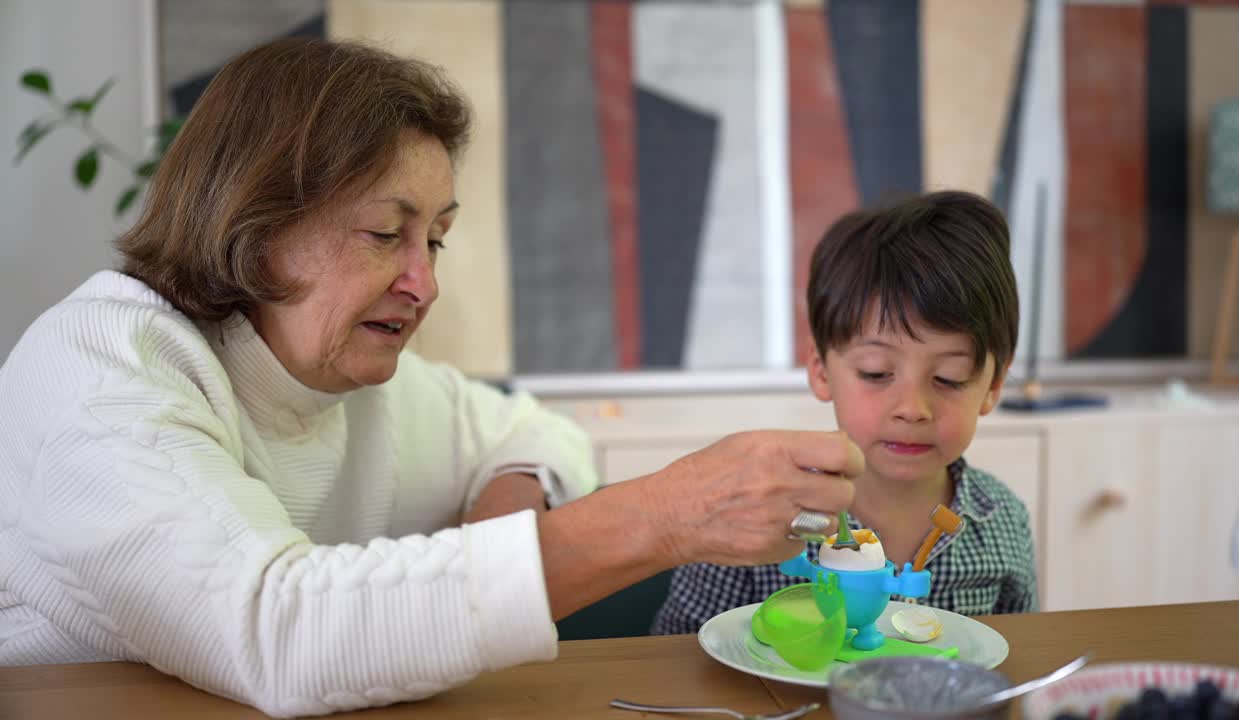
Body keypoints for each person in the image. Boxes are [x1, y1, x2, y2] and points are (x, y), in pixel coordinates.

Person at [0, 39, 864, 718]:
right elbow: (275, 629)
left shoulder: (354, 379)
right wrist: (667, 514)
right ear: (258, 224)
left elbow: (532, 430)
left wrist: (507, 507)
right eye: (387, 233)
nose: (425, 283)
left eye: (436, 239)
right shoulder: (103, 369)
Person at [652, 191, 1038, 635]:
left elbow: (1015, 659)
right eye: (876, 373)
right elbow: (680, 656)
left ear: (992, 385)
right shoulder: (762, 509)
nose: (912, 409)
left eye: (949, 378)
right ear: (821, 370)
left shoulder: (1003, 520)